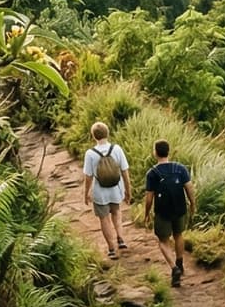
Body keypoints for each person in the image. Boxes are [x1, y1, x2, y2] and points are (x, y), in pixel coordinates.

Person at [144, 139, 195, 286]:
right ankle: (179, 263)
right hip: (180, 208)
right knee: (178, 235)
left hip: (162, 211)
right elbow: (189, 188)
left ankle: (174, 268)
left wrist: (147, 213)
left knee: (163, 241)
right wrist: (192, 204)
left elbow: (149, 198)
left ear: (155, 153)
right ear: (169, 151)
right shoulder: (180, 168)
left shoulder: (152, 173)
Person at [81, 121, 132, 260]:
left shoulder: (90, 154)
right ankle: (121, 239)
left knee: (104, 219)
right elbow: (125, 172)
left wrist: (86, 194)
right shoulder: (117, 149)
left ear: (93, 136)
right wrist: (128, 191)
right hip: (116, 189)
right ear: (107, 133)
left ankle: (111, 248)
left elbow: (88, 176)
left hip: (100, 193)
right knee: (116, 213)